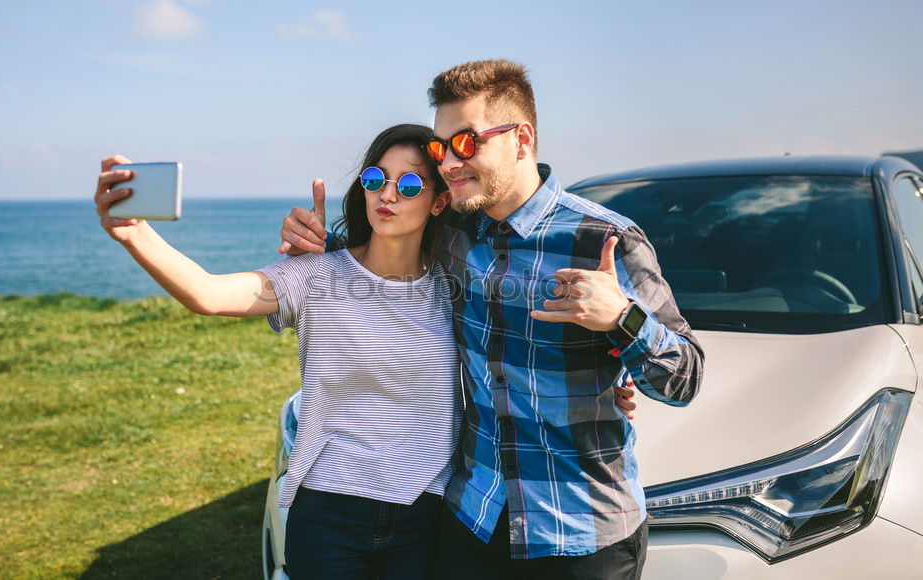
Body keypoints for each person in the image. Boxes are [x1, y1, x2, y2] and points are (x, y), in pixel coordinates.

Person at [279, 59, 703, 579]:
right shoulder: (454, 231)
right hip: (470, 523)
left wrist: (622, 319)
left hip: (579, 534)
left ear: (521, 139)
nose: (449, 164)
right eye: (440, 149)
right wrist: (318, 247)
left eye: (465, 143)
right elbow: (388, 261)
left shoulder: (603, 241)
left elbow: (686, 378)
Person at [94, 124, 461, 580]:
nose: (387, 194)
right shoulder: (313, 275)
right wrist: (134, 234)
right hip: (329, 514)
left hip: (423, 515)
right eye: (374, 178)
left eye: (408, 184)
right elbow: (208, 294)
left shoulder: (454, 286)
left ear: (440, 200)